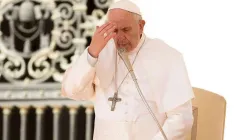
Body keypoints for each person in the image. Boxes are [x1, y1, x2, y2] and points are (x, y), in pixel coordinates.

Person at [61, 0, 195, 139]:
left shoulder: (166, 56)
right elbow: (72, 91)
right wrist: (92, 52)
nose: (119, 37)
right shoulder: (101, 51)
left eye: (126, 30)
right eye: (114, 30)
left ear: (141, 26)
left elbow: (181, 118)